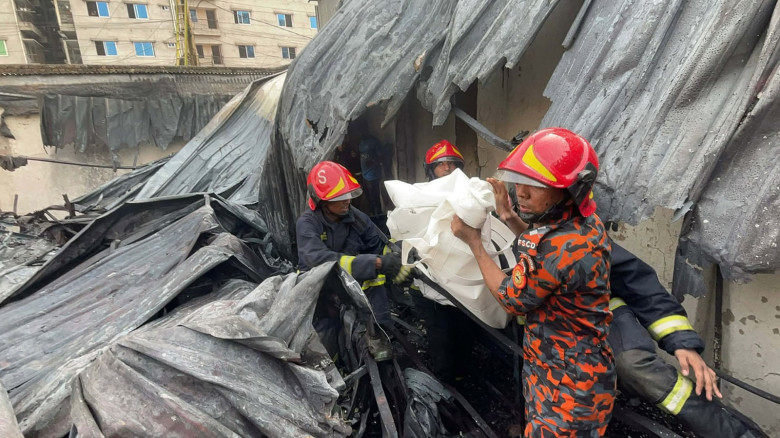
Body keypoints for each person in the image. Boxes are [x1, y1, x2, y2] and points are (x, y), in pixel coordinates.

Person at [451, 127, 615, 437]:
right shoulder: (582, 222)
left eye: (536, 186)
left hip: (566, 387)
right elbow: (539, 247)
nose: (522, 193)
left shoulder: (563, 247)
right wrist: (510, 216)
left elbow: (511, 297)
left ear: (571, 190)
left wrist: (475, 243)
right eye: (520, 182)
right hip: (570, 368)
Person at [610, 244, 765, 438]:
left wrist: (681, 340)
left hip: (597, 314)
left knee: (635, 366)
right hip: (562, 341)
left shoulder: (581, 230)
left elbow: (636, 282)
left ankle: (734, 433)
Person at [296, 161, 410, 361]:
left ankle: (379, 333)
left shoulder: (355, 218)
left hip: (348, 281)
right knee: (323, 342)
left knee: (375, 279)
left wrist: (397, 257)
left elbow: (377, 243)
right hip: (318, 286)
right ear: (321, 201)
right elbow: (318, 260)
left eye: (348, 195)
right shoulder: (307, 223)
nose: (346, 201)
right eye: (339, 198)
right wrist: (374, 263)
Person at [409, 140, 479, 383]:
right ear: (431, 170)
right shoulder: (418, 197)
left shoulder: (471, 194)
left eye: (452, 164)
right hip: (432, 278)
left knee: (465, 328)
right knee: (440, 331)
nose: (447, 169)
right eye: (441, 165)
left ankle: (463, 374)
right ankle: (444, 382)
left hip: (463, 275)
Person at [357, 126, 385, 216]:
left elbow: (382, 157)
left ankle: (378, 214)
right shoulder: (361, 142)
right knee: (368, 197)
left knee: (375, 196)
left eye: (362, 132)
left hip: (373, 175)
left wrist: (373, 161)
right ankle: (372, 213)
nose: (360, 134)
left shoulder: (374, 142)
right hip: (364, 174)